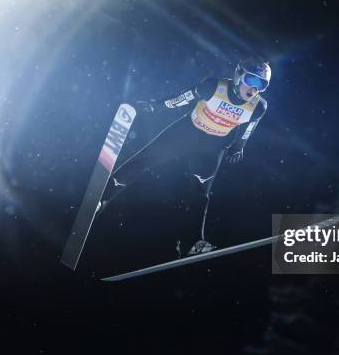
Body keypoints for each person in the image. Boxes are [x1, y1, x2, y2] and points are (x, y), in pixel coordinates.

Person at [99, 56, 271, 257]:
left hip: (212, 147)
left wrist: (238, 148)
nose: (255, 89)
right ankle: (101, 199)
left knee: (200, 194)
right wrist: (156, 105)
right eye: (252, 81)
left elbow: (248, 129)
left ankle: (191, 242)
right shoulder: (214, 86)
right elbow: (182, 98)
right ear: (239, 75)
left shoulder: (258, 107)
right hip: (186, 133)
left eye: (262, 85)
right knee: (144, 160)